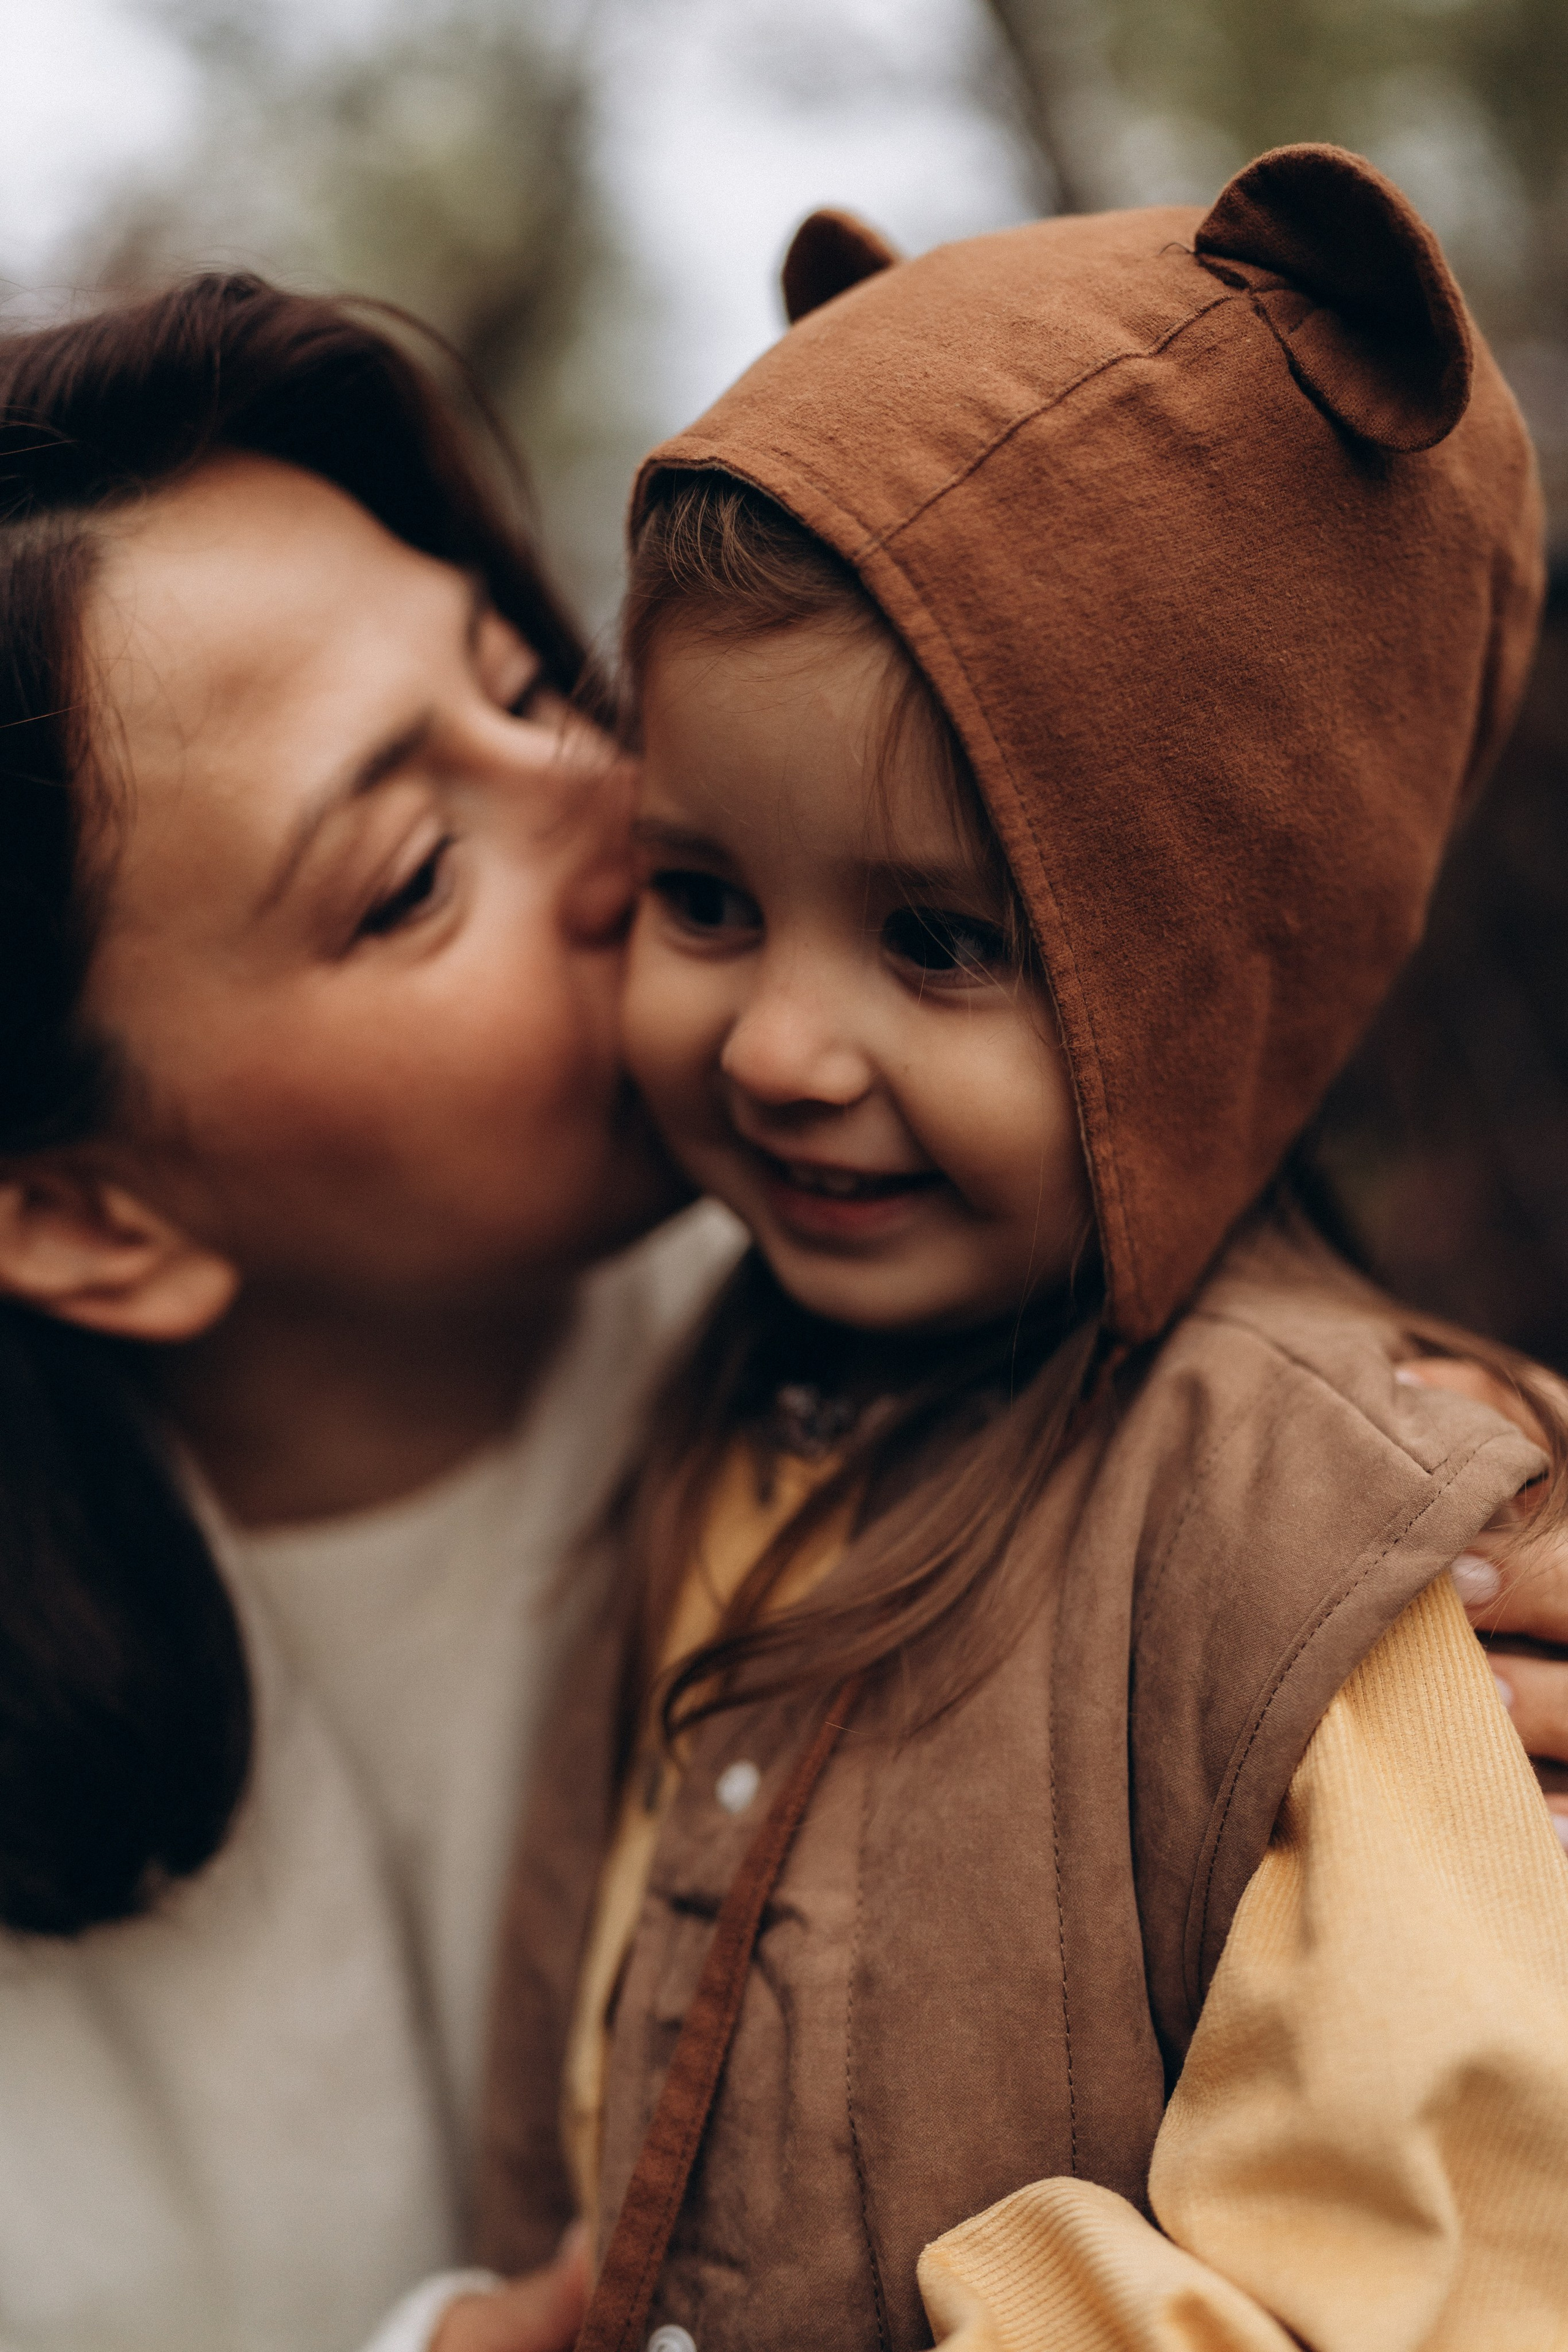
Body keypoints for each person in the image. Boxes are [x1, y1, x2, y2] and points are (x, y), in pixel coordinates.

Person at [477, 148, 1568, 2348]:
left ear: (1230, 972)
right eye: (704, 897)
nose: (780, 1049)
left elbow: (1428, 2288)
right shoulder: (723, 1401)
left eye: (942, 940)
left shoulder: (1333, 1555)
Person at [0, 276, 742, 2352]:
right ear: (84, 1219)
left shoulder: (993, 1337)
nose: (628, 804)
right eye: (415, 874)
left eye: (527, 682)